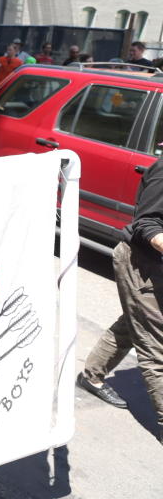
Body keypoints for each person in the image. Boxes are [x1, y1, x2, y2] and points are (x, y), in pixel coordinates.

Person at [77, 156, 163, 445]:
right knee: (155, 347)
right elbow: (147, 223)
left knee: (134, 321)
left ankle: (92, 375)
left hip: (156, 266)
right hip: (140, 261)